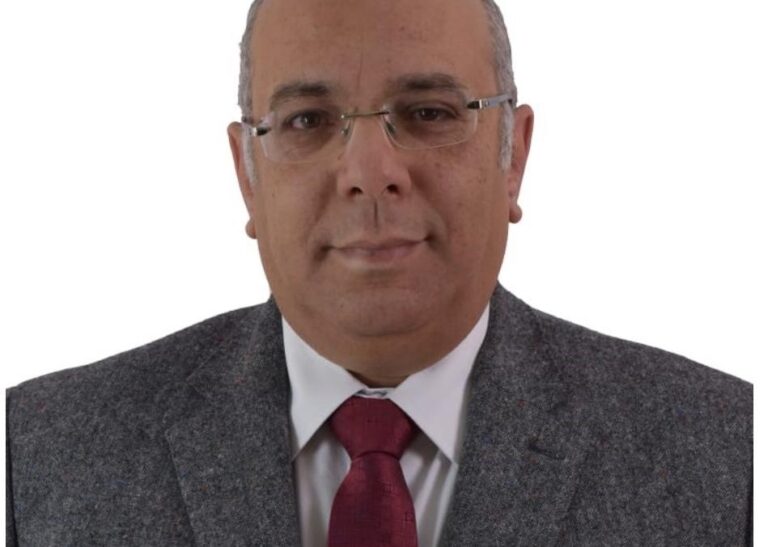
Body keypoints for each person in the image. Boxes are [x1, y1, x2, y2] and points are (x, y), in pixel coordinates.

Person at [5, 0, 752, 545]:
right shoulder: (34, 456)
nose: (368, 171)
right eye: (306, 120)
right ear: (246, 175)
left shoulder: (731, 458)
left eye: (428, 112)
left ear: (514, 156)